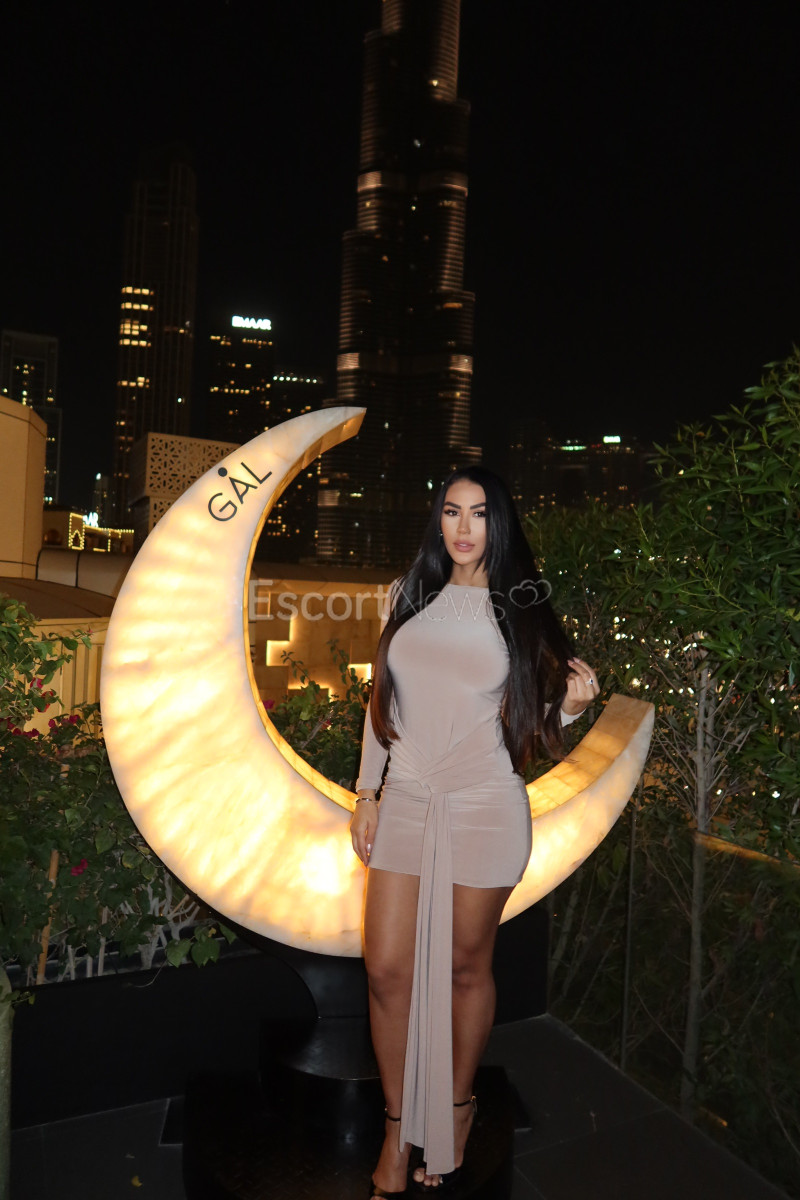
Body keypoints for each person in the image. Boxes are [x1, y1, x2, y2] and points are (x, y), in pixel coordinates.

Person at [350, 466, 599, 1198]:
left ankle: (457, 1108)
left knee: (466, 967)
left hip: (485, 803)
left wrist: (573, 707)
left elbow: (530, 724)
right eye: (452, 511)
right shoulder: (407, 595)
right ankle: (398, 1126)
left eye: (479, 513)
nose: (463, 527)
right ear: (438, 521)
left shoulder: (522, 608)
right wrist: (367, 792)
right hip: (407, 797)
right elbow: (381, 697)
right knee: (386, 969)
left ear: (500, 523)